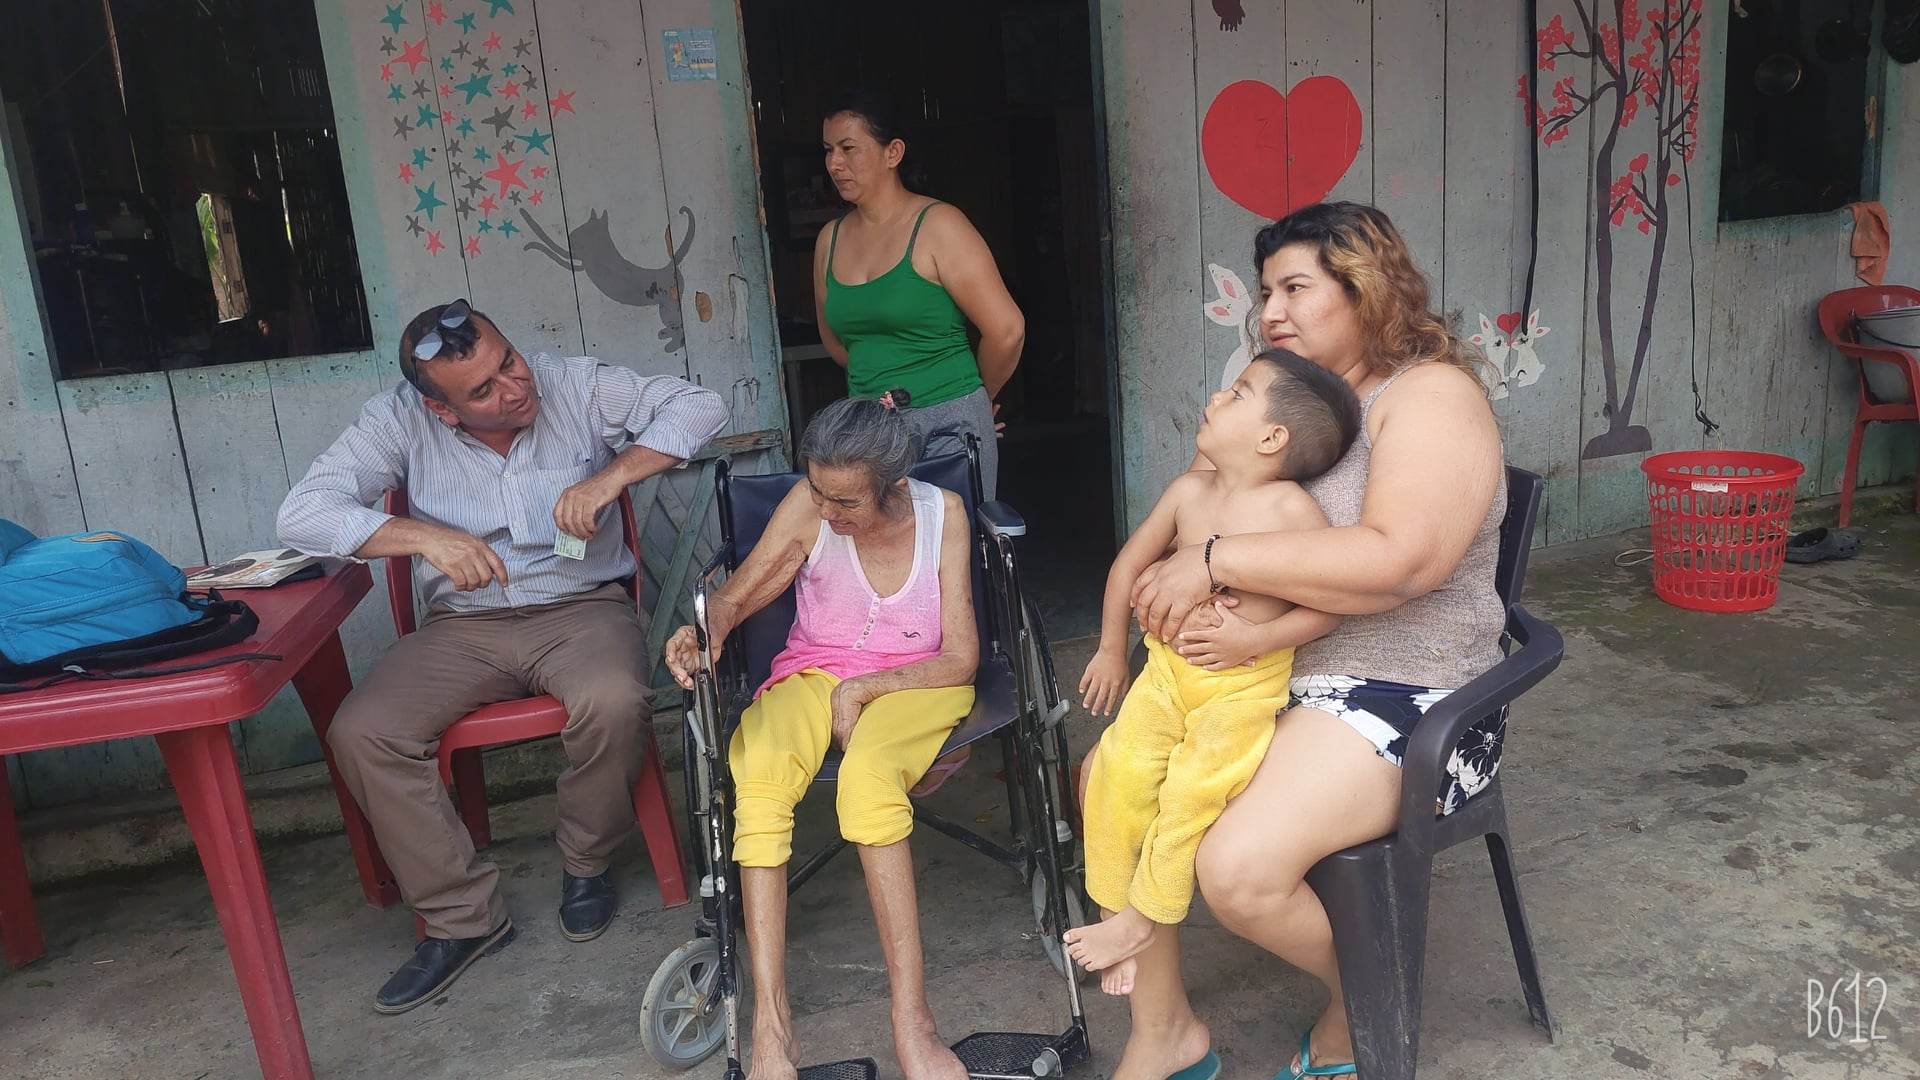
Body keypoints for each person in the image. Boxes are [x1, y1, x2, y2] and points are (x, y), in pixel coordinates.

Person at [1106, 202, 1509, 1080]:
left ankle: (1360, 999)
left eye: (1295, 288)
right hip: (1268, 677)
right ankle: (1164, 1030)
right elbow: (1194, 512)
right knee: (1109, 783)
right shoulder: (1288, 401)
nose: (1272, 312)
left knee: (1238, 869)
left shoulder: (1429, 396)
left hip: (1407, 696)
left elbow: (1403, 562)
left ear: (1366, 288)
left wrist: (1215, 561)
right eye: (1265, 293)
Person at [276, 299, 728, 1013]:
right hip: (462, 627)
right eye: (483, 390)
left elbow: (702, 407)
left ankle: (586, 860)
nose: (514, 388)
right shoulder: (399, 420)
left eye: (509, 360)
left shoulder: (573, 384)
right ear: (442, 410)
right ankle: (463, 918)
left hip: (580, 610)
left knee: (614, 701)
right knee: (362, 732)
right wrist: (424, 537)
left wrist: (613, 477)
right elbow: (301, 514)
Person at [664, 392, 978, 1080]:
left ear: (893, 485)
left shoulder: (942, 515)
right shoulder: (811, 508)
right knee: (761, 775)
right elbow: (739, 595)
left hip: (915, 679)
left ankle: (913, 1022)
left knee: (867, 783)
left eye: (846, 502)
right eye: (818, 492)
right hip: (813, 671)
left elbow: (960, 657)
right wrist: (702, 631)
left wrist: (865, 689)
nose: (827, 514)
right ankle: (771, 1026)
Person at [1064, 352, 1359, 1009]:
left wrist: (1255, 639)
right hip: (1166, 673)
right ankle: (1113, 906)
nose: (1219, 396)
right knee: (1114, 771)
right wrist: (1111, 650)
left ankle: (1145, 916)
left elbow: (1331, 605)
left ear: (1271, 437)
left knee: (1190, 794)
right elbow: (1127, 565)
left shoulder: (1292, 511)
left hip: (1241, 688)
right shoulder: (1187, 493)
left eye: (1239, 393)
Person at [813, 89, 1025, 498]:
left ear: (892, 152)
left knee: (950, 534)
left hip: (947, 424)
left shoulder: (939, 225)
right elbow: (837, 342)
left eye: (848, 148)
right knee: (874, 536)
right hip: (868, 429)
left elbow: (1007, 330)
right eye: (828, 150)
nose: (834, 163)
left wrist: (977, 397)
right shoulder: (830, 239)